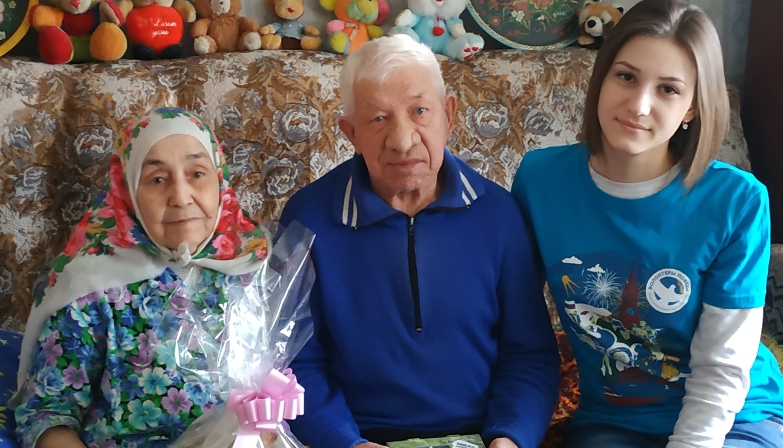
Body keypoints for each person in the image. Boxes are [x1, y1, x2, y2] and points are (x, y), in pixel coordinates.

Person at [510, 1, 783, 447]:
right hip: (614, 421)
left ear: (692, 107)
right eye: (626, 77)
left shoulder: (737, 201)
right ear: (602, 77)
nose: (639, 105)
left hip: (733, 417)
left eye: (668, 89)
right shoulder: (539, 179)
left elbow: (723, 364)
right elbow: (509, 311)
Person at [279, 34, 560, 448]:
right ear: (350, 133)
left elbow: (529, 353)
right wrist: (344, 441)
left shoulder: (498, 214)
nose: (402, 139)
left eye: (420, 111)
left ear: (449, 115)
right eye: (378, 119)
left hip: (484, 435)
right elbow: (295, 360)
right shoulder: (308, 219)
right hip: (358, 436)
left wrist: (509, 438)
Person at [11, 107, 273, 448]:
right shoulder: (91, 289)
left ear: (220, 182)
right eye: (158, 179)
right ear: (128, 193)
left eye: (197, 173)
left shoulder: (248, 268)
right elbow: (47, 414)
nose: (181, 198)